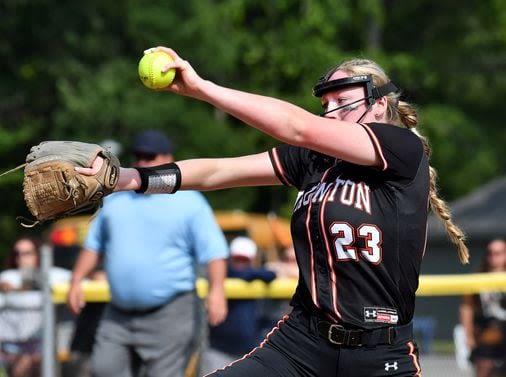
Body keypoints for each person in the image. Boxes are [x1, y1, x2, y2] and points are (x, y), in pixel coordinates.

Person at [78, 48, 470, 377]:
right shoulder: (315, 161)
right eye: (324, 103)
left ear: (379, 104)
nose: (328, 111)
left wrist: (203, 89)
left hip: (379, 351)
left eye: (341, 100)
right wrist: (126, 178)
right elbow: (218, 171)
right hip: (303, 342)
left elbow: (297, 128)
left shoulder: (400, 149)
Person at [67, 129, 229, 377]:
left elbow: (214, 251)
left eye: (150, 156)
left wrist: (217, 289)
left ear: (168, 158)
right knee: (104, 368)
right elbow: (94, 246)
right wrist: (76, 280)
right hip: (118, 312)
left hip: (171, 311)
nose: (143, 162)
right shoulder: (115, 199)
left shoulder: (190, 200)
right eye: (138, 156)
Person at [202, 236, 277, 374]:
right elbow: (241, 274)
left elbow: (271, 275)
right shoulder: (222, 276)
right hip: (219, 350)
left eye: (245, 260)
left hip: (248, 352)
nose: (240, 264)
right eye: (237, 259)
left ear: (252, 260)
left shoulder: (255, 276)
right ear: (230, 258)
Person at [0, 235, 71, 377]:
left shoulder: (54, 275)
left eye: (27, 253)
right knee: (24, 365)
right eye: (17, 253)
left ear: (38, 254)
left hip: (45, 345)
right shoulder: (7, 277)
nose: (21, 257)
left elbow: (77, 280)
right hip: (13, 347)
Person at [460, 238, 506, 377]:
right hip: (486, 333)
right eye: (490, 253)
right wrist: (468, 335)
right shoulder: (477, 277)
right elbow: (466, 307)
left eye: (498, 253)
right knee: (483, 367)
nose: (494, 256)